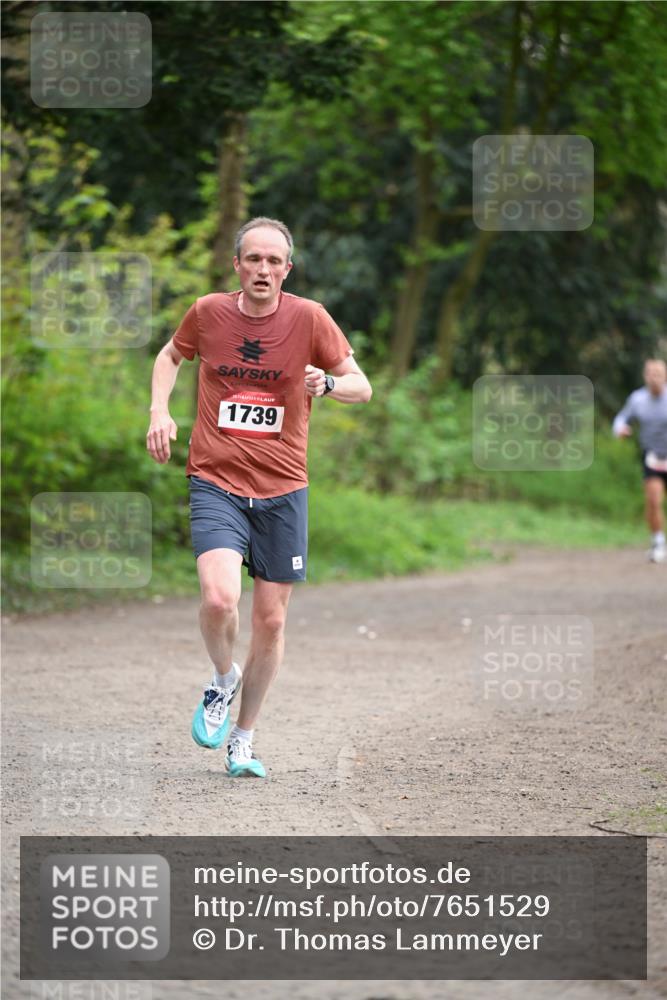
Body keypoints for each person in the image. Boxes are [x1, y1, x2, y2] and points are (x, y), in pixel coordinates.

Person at [146, 217, 372, 776]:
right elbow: (170, 357)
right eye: (254, 259)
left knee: (271, 621)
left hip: (283, 488)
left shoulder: (310, 318)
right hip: (215, 478)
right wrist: (159, 411)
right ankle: (223, 678)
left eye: (274, 261)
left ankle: (243, 739)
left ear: (287, 270)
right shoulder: (208, 312)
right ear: (238, 265)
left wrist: (330, 384)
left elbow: (362, 386)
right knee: (221, 600)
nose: (263, 269)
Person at [612, 358, 667, 563]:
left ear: (665, 376)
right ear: (645, 376)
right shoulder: (637, 399)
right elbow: (620, 419)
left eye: (658, 374)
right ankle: (658, 542)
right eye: (650, 373)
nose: (654, 378)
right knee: (653, 500)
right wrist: (620, 429)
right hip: (653, 456)